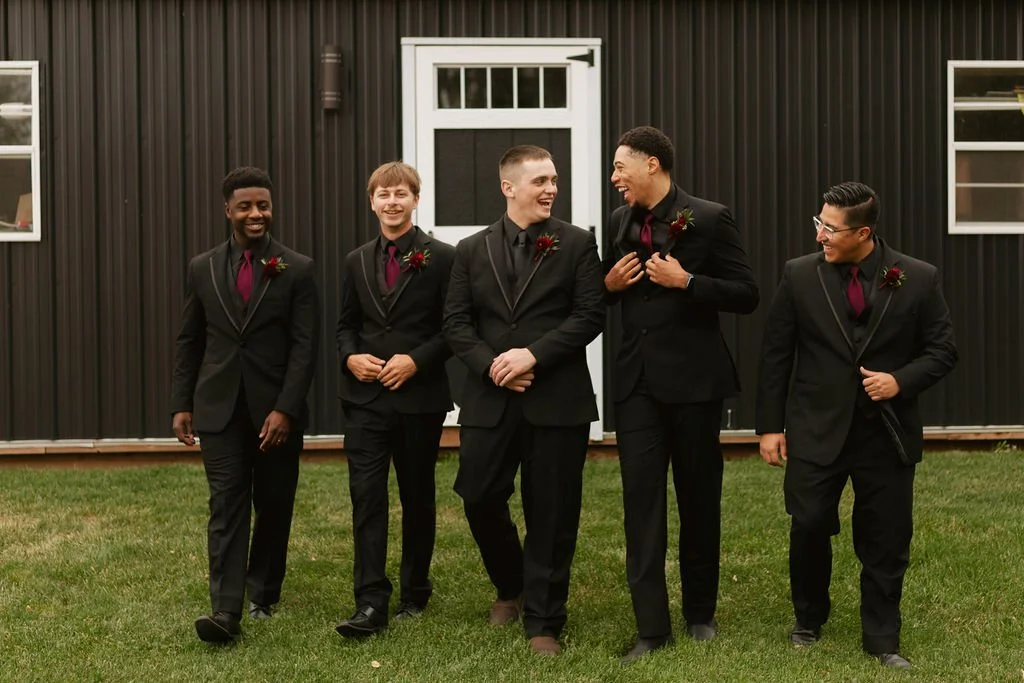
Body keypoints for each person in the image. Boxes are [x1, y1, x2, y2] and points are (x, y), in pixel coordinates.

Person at [755, 181, 957, 669]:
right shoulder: (798, 275)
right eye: (818, 223)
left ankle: (883, 637)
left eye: (831, 228)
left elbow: (943, 351)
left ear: (863, 233)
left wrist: (899, 381)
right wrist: (769, 427)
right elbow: (776, 355)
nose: (820, 235)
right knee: (808, 525)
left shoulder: (918, 277)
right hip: (815, 427)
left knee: (886, 536)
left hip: (885, 432)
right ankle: (808, 619)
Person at [603, 126, 759, 661]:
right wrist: (608, 286)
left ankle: (700, 614)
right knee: (641, 504)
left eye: (620, 166)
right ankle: (651, 628)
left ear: (651, 164)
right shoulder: (618, 222)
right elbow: (606, 287)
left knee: (698, 498)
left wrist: (687, 282)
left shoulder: (709, 218)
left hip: (695, 383)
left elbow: (746, 293)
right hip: (636, 385)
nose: (615, 177)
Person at [443, 144, 605, 656]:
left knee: (552, 510)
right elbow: (456, 322)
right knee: (478, 494)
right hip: (489, 399)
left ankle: (544, 619)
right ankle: (510, 585)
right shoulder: (471, 249)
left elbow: (590, 315)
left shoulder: (577, 244)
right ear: (508, 187)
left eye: (554, 180)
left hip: (557, 400)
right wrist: (494, 366)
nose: (551, 189)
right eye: (541, 181)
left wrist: (532, 355)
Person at [170, 166, 321, 643]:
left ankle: (263, 592)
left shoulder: (297, 268)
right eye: (246, 206)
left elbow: (305, 347)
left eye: (263, 205)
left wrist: (286, 409)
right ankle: (225, 610)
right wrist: (181, 402)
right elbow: (190, 340)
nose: (257, 213)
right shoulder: (202, 267)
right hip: (218, 408)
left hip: (275, 412)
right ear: (228, 210)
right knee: (226, 504)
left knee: (273, 505)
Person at [333, 161, 455, 638]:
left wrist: (416, 361)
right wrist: (350, 358)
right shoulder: (355, 261)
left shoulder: (442, 258)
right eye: (383, 195)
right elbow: (346, 325)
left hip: (419, 399)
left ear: (415, 199)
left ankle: (415, 590)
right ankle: (370, 601)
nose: (392, 202)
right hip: (365, 400)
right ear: (372, 202)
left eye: (401, 193)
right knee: (366, 496)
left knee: (417, 495)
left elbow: (454, 328)